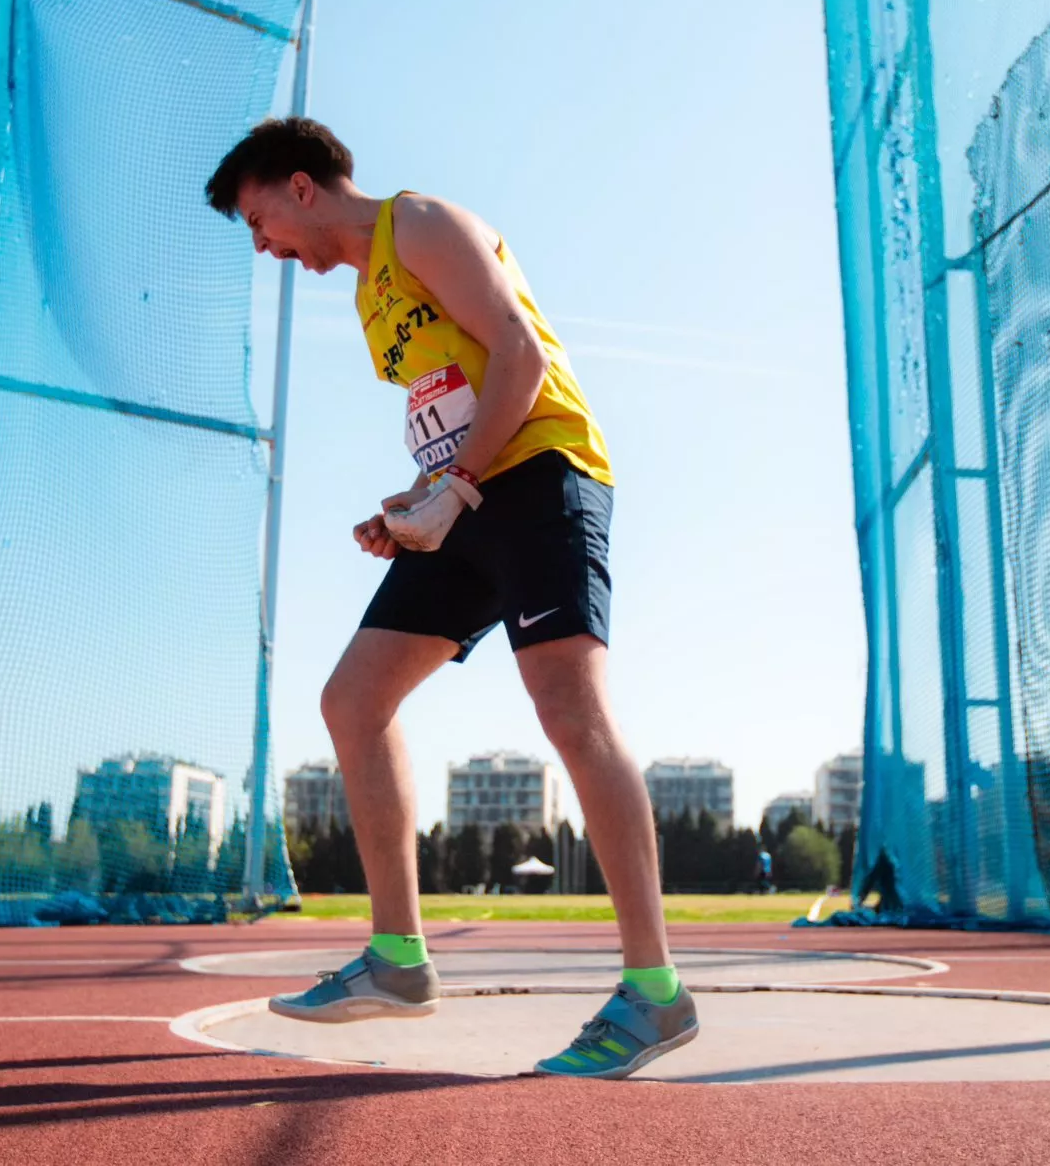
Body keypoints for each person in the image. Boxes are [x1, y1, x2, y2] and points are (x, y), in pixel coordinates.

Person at [207, 118, 697, 1079]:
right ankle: (396, 961)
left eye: (259, 220)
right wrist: (414, 505)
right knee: (354, 700)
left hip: (540, 474)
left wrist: (457, 487)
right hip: (467, 495)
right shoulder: (366, 296)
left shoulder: (419, 222)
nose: (263, 246)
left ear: (301, 187)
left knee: (569, 710)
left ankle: (656, 992)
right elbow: (458, 399)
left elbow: (520, 353)